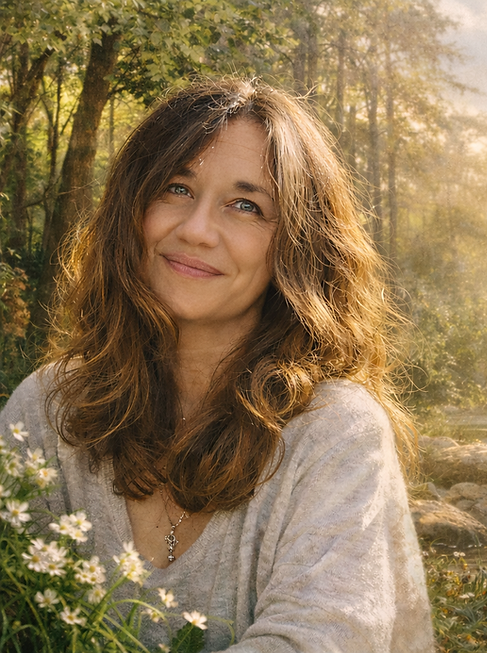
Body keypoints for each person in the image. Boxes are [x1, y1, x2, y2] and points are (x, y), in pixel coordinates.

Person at [0, 78, 435, 652]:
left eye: (246, 206)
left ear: (297, 247)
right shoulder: (49, 406)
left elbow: (314, 642)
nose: (197, 230)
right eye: (177, 188)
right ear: (133, 208)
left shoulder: (335, 432)